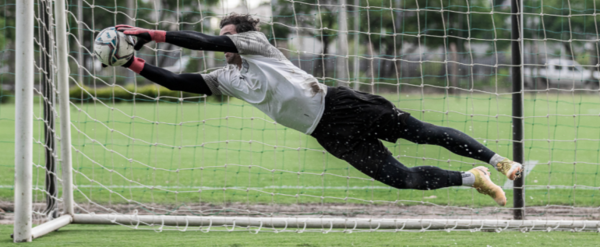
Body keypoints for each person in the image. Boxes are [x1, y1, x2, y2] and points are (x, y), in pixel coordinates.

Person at [115, 13, 523, 206]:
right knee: (401, 179)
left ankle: (499, 161)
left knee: (424, 133)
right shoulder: (227, 78)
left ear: (243, 36)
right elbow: (178, 82)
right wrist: (132, 61)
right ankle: (473, 179)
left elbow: (206, 42)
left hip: (343, 105)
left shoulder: (257, 45)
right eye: (224, 40)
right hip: (325, 134)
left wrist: (149, 34)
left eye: (227, 38)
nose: (224, 45)